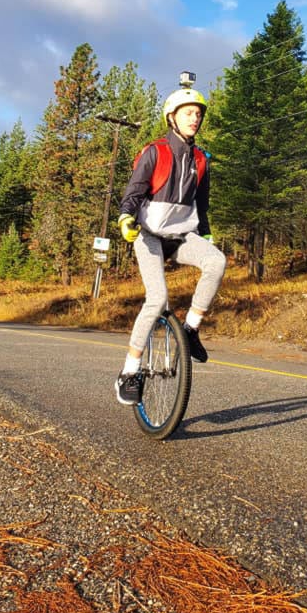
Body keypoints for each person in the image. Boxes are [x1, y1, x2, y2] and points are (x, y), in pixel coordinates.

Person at [115, 75, 227, 405]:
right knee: (158, 297)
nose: (195, 118)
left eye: (199, 113)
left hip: (180, 236)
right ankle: (129, 371)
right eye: (189, 112)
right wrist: (125, 219)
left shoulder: (201, 159)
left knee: (216, 261)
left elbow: (201, 204)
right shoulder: (154, 152)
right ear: (172, 117)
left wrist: (204, 232)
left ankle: (190, 331)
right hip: (148, 235)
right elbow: (133, 194)